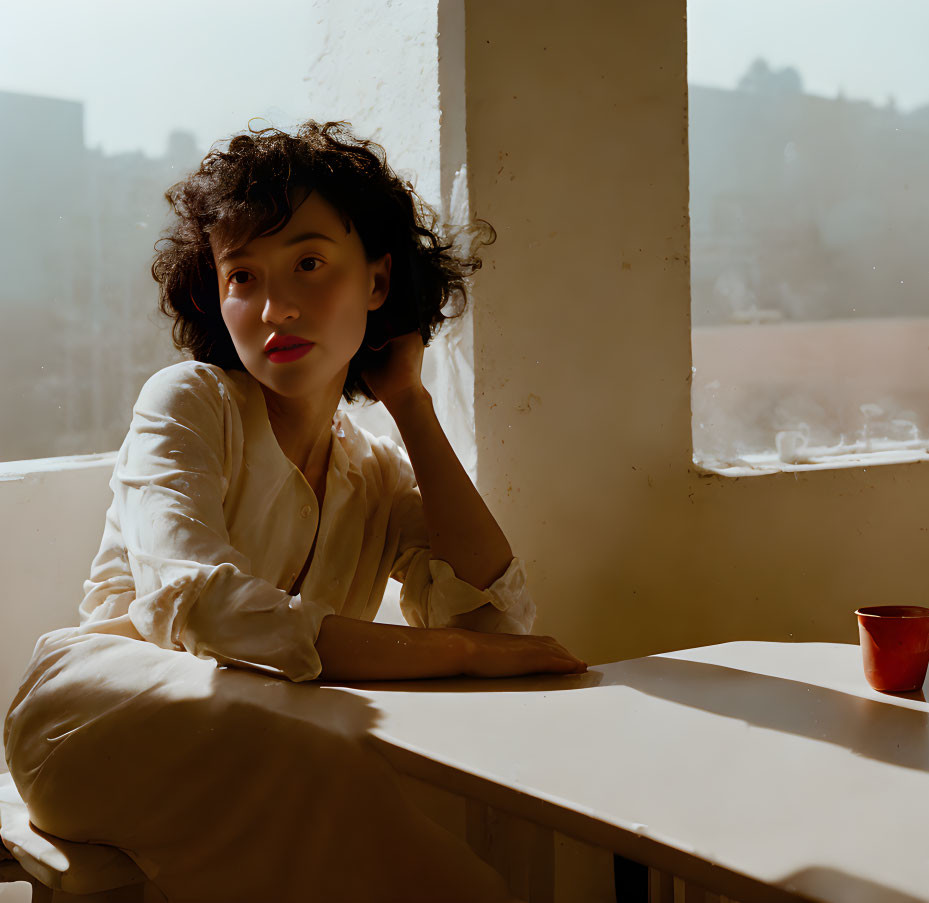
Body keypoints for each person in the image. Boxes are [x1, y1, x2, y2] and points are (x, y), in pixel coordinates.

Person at [3, 121, 586, 902]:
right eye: (241, 276)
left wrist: (410, 402)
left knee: (327, 755)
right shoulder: (189, 401)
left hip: (276, 739)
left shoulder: (373, 472)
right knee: (317, 743)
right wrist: (463, 655)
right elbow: (198, 604)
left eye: (308, 263)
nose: (275, 306)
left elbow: (492, 613)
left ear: (377, 282)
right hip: (96, 713)